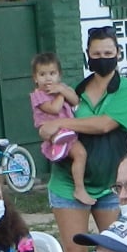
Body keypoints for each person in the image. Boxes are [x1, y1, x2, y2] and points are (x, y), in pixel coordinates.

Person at [41, 26, 127, 252]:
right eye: (96, 54)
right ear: (87, 54)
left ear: (118, 53)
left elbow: (105, 124)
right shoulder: (77, 90)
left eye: (108, 53)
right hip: (67, 182)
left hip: (110, 183)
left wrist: (62, 123)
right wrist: (47, 128)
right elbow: (48, 121)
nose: (102, 58)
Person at [30, 52, 92, 207]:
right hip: (51, 130)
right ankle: (57, 144)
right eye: (42, 74)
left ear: (59, 75)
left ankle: (79, 187)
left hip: (69, 132)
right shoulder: (38, 95)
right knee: (76, 150)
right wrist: (60, 95)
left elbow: (76, 101)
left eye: (52, 73)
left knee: (81, 154)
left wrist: (63, 91)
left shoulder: (62, 89)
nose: (48, 78)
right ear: (35, 78)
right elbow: (54, 108)